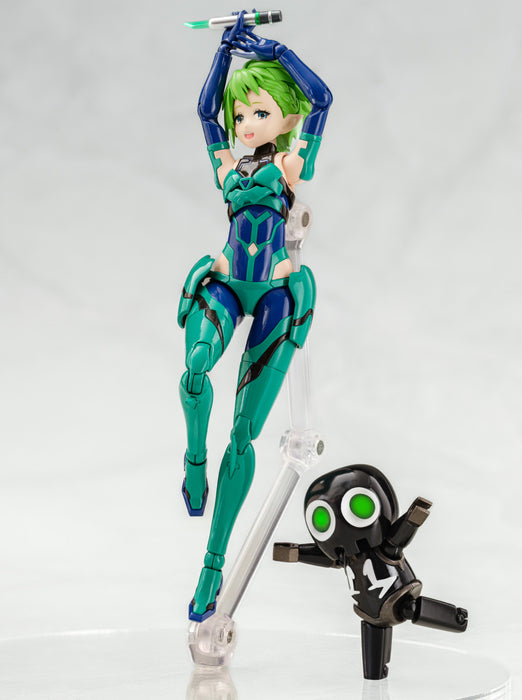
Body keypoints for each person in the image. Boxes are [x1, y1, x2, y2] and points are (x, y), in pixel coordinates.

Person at [177, 11, 332, 621]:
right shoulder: (228, 165)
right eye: (240, 115)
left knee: (242, 432)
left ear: (285, 119)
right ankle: (194, 462)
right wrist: (223, 52)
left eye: (259, 113)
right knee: (194, 370)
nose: (244, 124)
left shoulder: (289, 166)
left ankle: (213, 566)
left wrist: (274, 50)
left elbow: (322, 98)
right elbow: (203, 112)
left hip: (272, 292)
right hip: (224, 281)